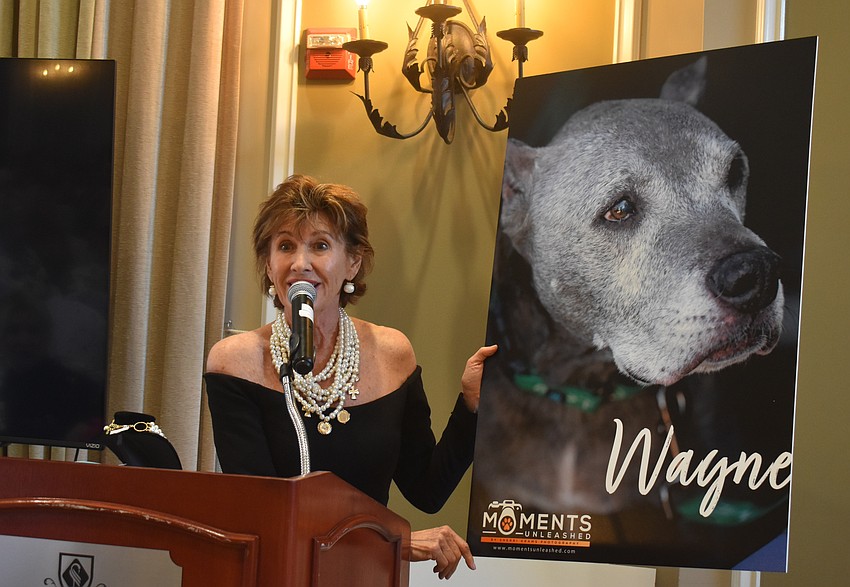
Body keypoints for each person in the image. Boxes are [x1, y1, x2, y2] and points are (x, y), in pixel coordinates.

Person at [205, 174, 497, 580]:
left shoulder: (392, 353)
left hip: (365, 577)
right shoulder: (234, 362)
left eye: (320, 245)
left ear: (353, 263)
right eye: (285, 246)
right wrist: (394, 541)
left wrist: (471, 405)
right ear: (268, 265)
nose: (300, 263)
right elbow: (264, 513)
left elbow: (427, 490)